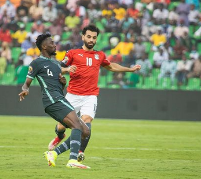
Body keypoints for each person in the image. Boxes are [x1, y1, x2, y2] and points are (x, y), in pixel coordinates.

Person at [48, 25, 141, 162]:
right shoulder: (73, 53)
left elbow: (112, 66)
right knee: (61, 126)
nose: (91, 40)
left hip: (90, 96)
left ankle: (79, 152)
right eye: (89, 37)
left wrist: (129, 69)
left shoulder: (100, 55)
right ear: (83, 37)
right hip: (73, 95)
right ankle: (59, 137)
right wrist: (67, 69)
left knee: (85, 123)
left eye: (94, 37)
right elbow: (58, 69)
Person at [18, 33, 90, 169]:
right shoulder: (37, 62)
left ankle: (54, 153)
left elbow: (59, 87)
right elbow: (27, 82)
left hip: (59, 98)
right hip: (52, 100)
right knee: (76, 125)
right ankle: (72, 160)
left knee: (85, 131)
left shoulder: (56, 64)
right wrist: (25, 89)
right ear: (44, 46)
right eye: (51, 43)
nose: (54, 45)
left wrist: (63, 83)